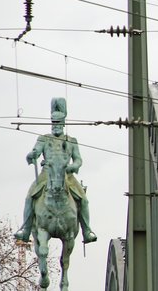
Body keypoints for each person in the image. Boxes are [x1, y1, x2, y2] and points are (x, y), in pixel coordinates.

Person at [13, 97, 97, 243]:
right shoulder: (44, 139)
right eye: (54, 122)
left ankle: (87, 230)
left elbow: (78, 159)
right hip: (47, 174)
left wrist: (74, 166)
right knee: (29, 197)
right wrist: (32, 155)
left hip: (67, 176)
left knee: (83, 200)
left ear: (63, 123)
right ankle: (25, 229)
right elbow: (35, 152)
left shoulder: (71, 140)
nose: (56, 125)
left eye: (59, 123)